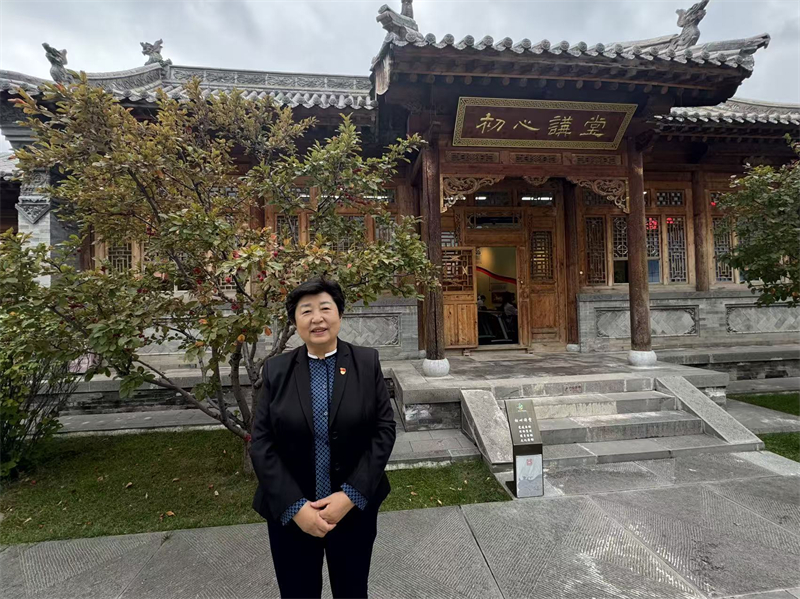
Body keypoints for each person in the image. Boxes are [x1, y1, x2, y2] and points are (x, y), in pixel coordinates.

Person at [249, 277, 396, 598]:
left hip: (353, 511)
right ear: (295, 321)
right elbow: (261, 442)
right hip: (292, 514)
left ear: (339, 314)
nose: (317, 318)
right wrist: (295, 507)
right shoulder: (276, 370)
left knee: (352, 591)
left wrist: (350, 495)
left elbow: (384, 430)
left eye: (325, 308)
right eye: (306, 311)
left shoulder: (366, 362)